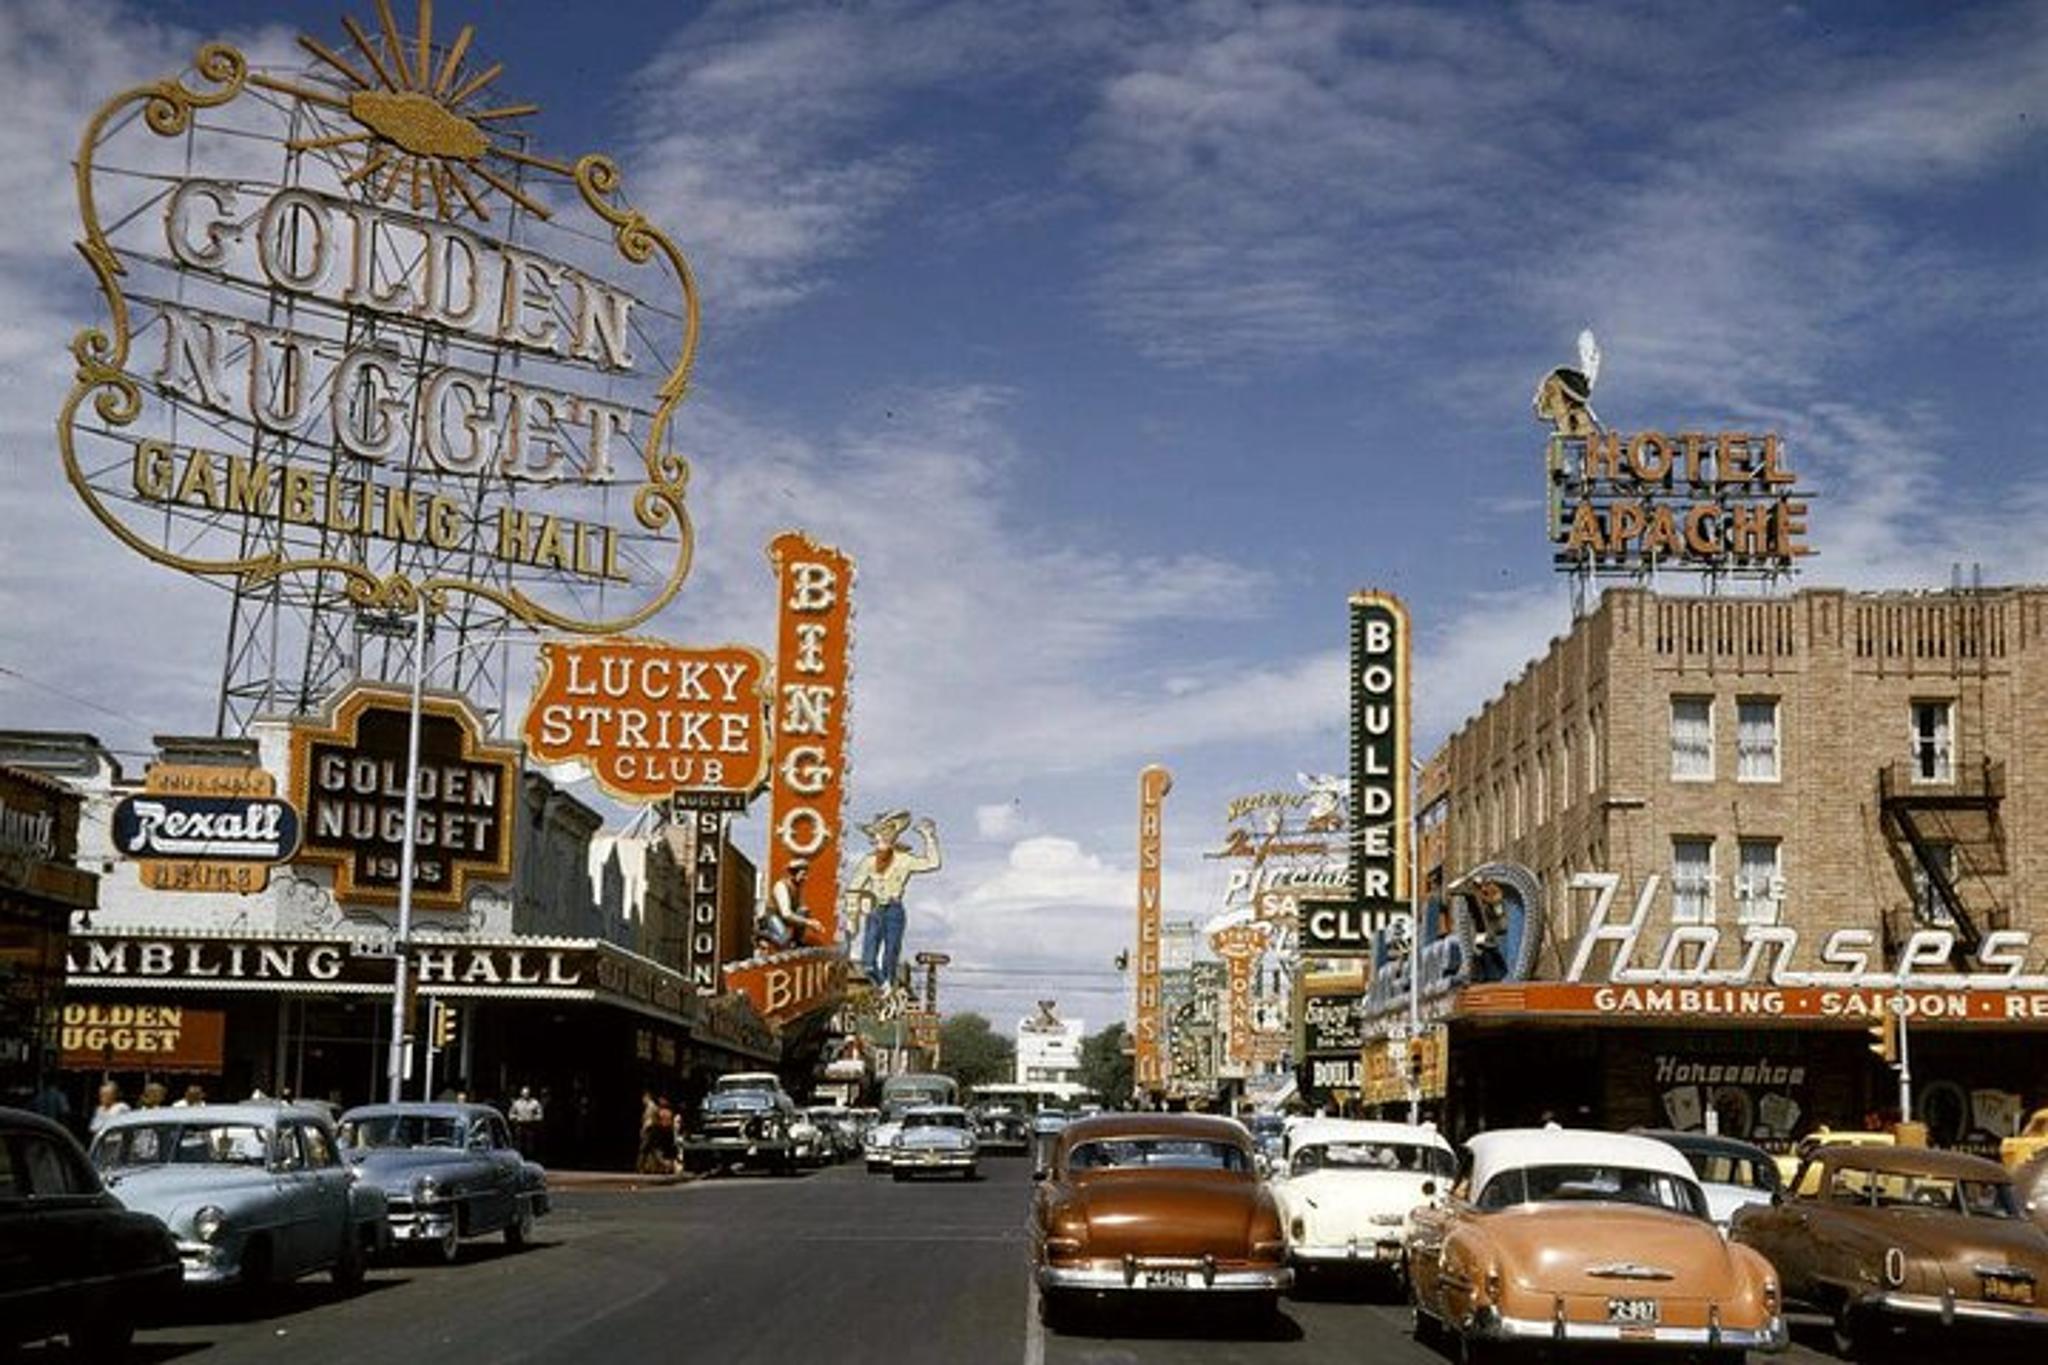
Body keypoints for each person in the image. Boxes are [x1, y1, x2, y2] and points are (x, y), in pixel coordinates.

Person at [845, 811, 942, 985]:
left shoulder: (903, 859)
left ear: (893, 835)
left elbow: (932, 863)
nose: (881, 837)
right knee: (868, 962)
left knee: (890, 955)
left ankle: (888, 986)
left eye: (886, 832)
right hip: (874, 910)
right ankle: (883, 987)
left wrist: (929, 837)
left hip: (894, 909)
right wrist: (853, 917)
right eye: (878, 833)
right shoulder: (868, 861)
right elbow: (854, 888)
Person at [509, 1085, 544, 1157]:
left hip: (530, 1126)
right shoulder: (516, 1103)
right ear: (521, 1093)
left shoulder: (535, 1102)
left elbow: (540, 1115)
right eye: (524, 1093)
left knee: (530, 1143)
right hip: (519, 1126)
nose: (525, 1095)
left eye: (527, 1093)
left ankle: (529, 1157)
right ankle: (519, 1156)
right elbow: (510, 1114)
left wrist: (533, 1118)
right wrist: (516, 1118)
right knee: (518, 1143)